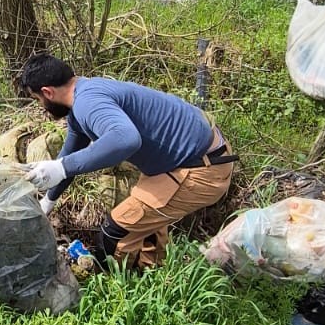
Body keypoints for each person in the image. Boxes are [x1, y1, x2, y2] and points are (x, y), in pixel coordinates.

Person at [17, 54, 236, 269]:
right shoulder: (85, 96)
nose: (42, 105)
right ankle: (152, 272)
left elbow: (126, 139)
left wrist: (62, 167)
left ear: (47, 92)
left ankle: (115, 291)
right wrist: (49, 200)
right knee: (145, 223)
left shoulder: (88, 102)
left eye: (38, 99)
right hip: (192, 157)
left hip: (200, 168)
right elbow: (69, 155)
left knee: (116, 233)